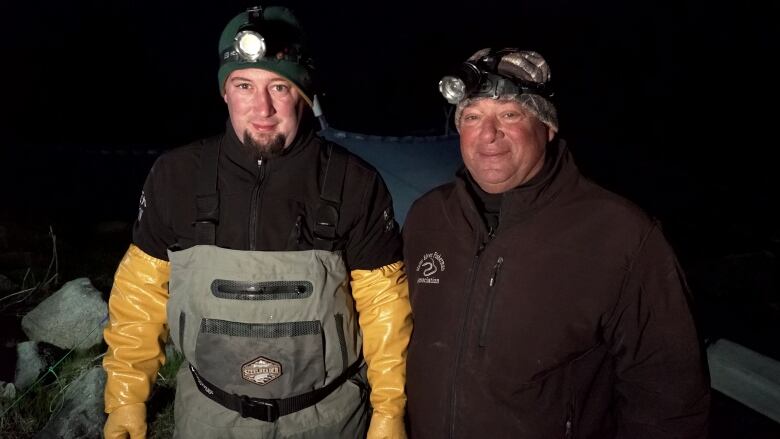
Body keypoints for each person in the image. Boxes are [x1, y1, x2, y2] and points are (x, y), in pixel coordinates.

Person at [102, 6, 412, 439]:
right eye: (244, 85)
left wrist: (388, 412)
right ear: (224, 92)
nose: (262, 107)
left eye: (279, 87)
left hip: (328, 420)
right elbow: (138, 301)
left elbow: (386, 311)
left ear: (304, 95)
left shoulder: (354, 182)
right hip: (209, 419)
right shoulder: (176, 176)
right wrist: (125, 403)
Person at [402, 48, 710, 438]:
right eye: (473, 117)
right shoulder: (428, 218)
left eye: (510, 114)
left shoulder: (619, 234)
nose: (488, 134)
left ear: (547, 127)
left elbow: (669, 398)